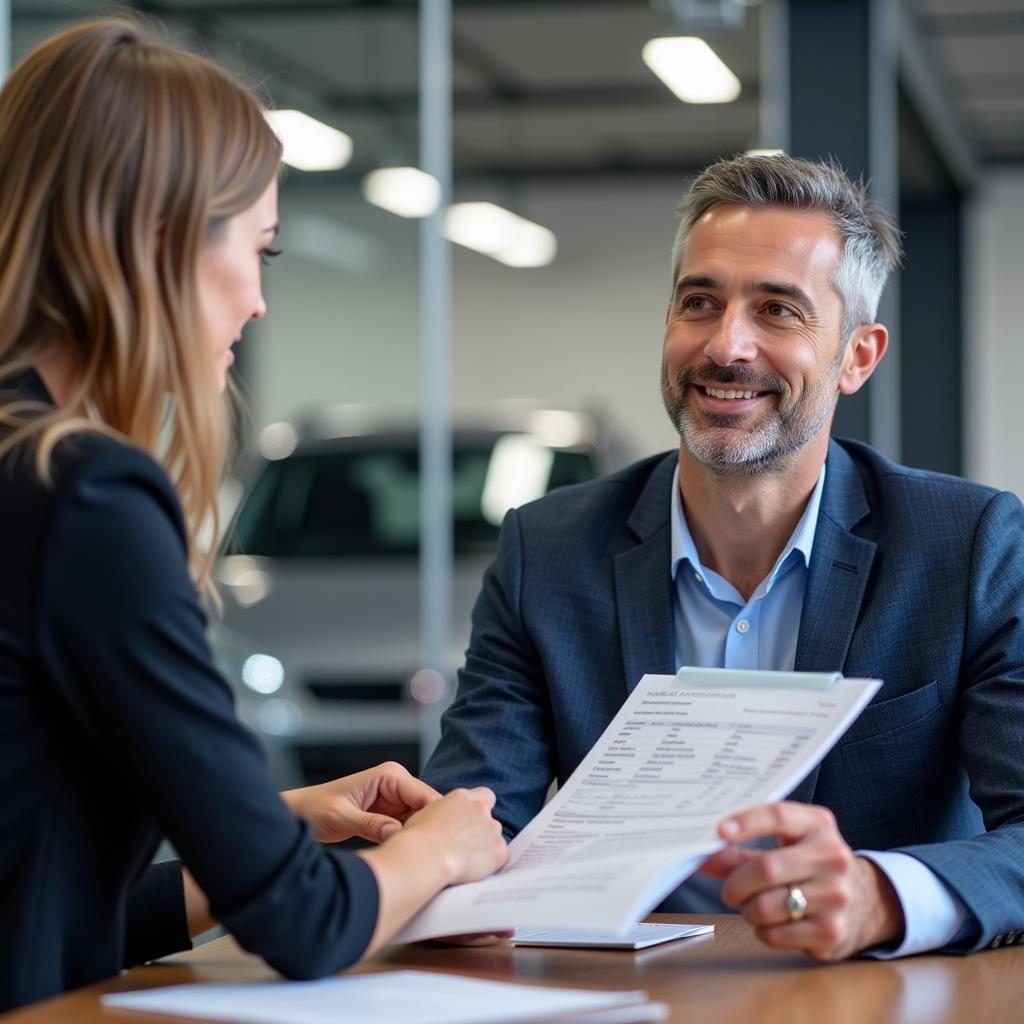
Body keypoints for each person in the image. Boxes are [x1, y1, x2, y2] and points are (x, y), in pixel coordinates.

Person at [0, 18, 506, 1013]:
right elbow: (305, 927)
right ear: (160, 239)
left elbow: (39, 894)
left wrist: (274, 833)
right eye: (259, 248)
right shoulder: (87, 492)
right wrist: (436, 853)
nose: (259, 301)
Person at [424, 153, 1024, 961]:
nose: (727, 345)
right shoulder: (548, 551)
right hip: (620, 994)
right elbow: (477, 819)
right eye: (699, 302)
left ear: (858, 357)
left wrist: (881, 897)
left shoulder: (967, 545)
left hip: (862, 998)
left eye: (778, 310)